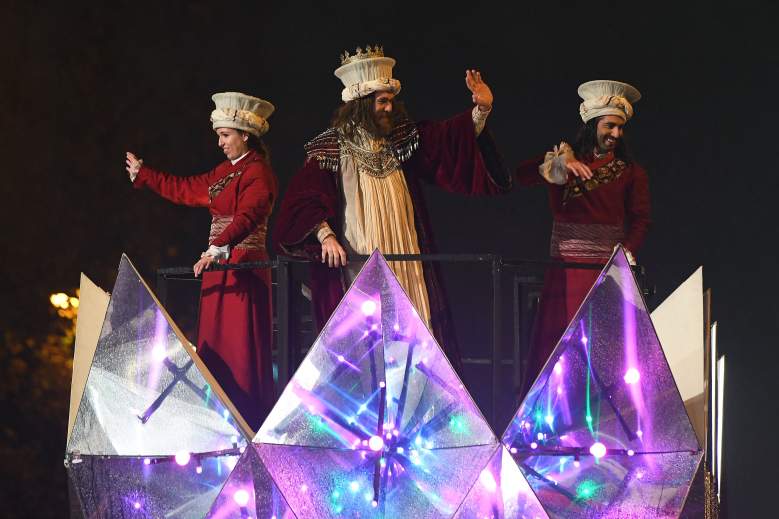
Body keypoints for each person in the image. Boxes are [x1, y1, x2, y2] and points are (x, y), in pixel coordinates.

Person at [273, 45, 510, 372]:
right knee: (365, 336)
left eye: (390, 100)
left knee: (412, 328)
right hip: (360, 255)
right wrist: (325, 235)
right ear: (360, 105)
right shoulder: (330, 146)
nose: (388, 108)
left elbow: (444, 142)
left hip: (405, 252)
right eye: (381, 102)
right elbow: (304, 198)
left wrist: (480, 111)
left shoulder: (400, 139)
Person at [125, 92, 278, 430]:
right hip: (217, 268)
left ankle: (247, 421)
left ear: (245, 135)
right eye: (219, 136)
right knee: (213, 348)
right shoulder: (224, 172)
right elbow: (186, 188)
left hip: (243, 268)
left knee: (239, 351)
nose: (221, 143)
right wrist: (146, 174)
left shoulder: (259, 173)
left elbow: (249, 215)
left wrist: (219, 247)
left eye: (226, 136)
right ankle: (216, 422)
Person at [516, 80, 651, 395]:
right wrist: (561, 160)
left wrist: (627, 253)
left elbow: (642, 219)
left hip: (606, 273)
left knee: (605, 352)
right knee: (558, 347)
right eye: (609, 126)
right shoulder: (564, 165)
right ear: (593, 125)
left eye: (620, 128)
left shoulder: (631, 173)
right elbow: (520, 176)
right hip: (565, 270)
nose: (616, 134)